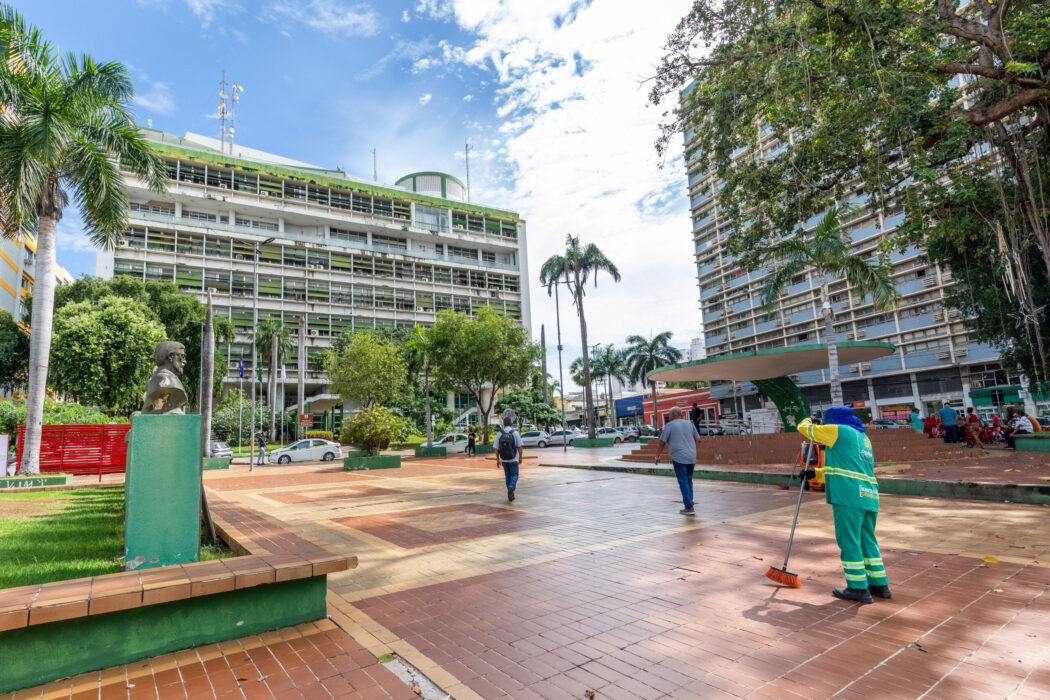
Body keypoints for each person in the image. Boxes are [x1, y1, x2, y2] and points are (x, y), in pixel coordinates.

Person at [797, 406, 889, 604]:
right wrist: (817, 474)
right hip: (869, 494)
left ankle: (857, 588)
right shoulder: (862, 437)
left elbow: (805, 430)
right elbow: (847, 468)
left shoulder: (838, 430)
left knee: (849, 541)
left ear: (832, 421)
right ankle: (879, 584)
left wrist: (808, 420)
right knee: (867, 541)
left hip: (849, 496)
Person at [653, 406, 702, 515]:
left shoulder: (669, 425)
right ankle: (690, 504)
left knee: (683, 480)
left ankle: (689, 507)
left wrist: (657, 456)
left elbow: (662, 443)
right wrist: (691, 449)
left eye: (669, 414)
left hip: (679, 458)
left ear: (673, 415)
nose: (668, 416)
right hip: (691, 457)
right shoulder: (690, 424)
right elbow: (698, 440)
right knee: (689, 480)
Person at [494, 417, 524, 501]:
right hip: (514, 458)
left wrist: (497, 459)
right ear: (511, 423)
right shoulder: (515, 433)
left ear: (503, 424)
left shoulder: (500, 433)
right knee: (514, 475)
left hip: (503, 459)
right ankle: (512, 487)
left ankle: (510, 492)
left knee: (507, 475)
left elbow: (496, 448)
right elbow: (520, 447)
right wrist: (520, 457)